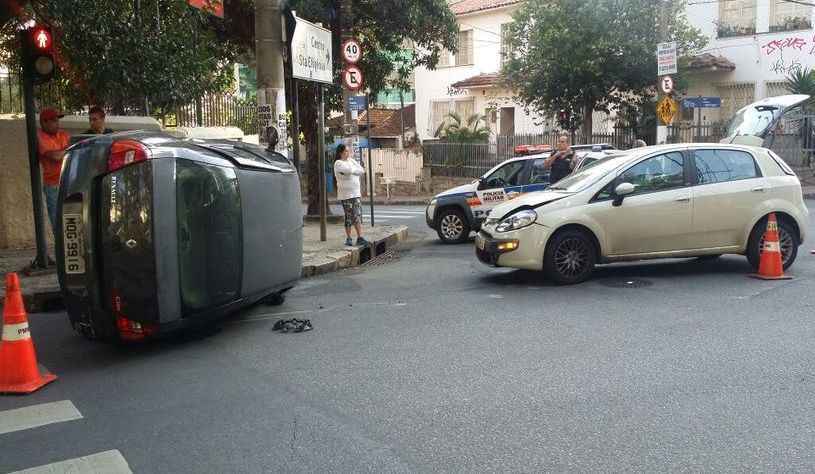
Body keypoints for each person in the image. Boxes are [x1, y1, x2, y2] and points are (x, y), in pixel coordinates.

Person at [37, 108, 70, 233]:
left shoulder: (63, 134)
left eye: (57, 120)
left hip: (69, 182)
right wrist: (68, 150)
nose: (58, 123)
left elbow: (70, 152)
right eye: (54, 120)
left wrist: (64, 152)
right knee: (58, 224)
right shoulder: (40, 136)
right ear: (45, 123)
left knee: (72, 221)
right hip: (53, 186)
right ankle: (60, 252)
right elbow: (55, 156)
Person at [333, 144, 368, 247]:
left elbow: (361, 170)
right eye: (346, 151)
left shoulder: (351, 161)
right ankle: (349, 238)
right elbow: (348, 171)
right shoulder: (338, 163)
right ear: (341, 152)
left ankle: (360, 237)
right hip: (346, 195)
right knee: (349, 216)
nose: (348, 153)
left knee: (357, 215)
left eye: (348, 151)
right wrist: (352, 170)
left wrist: (352, 170)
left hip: (356, 193)